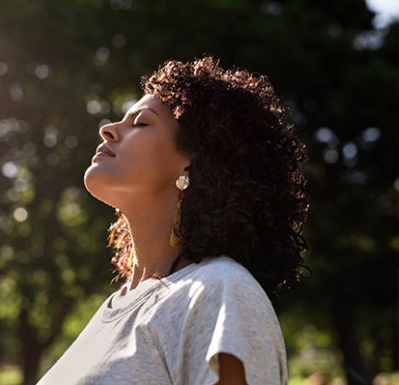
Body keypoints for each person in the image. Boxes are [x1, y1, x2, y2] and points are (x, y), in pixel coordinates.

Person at [36, 55, 309, 385]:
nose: (107, 129)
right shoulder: (117, 306)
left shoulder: (219, 291)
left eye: (140, 123)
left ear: (194, 164)